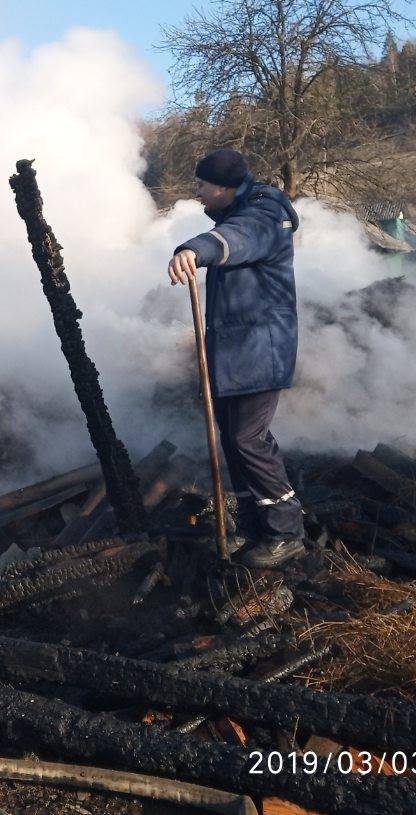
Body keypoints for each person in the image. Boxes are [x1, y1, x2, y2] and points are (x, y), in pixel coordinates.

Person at [167, 148, 306, 569]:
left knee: (248, 439)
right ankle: (253, 524)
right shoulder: (242, 210)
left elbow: (239, 240)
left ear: (225, 187)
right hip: (237, 352)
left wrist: (194, 249)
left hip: (260, 350)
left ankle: (286, 532)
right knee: (233, 439)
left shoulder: (264, 214)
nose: (198, 194)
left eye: (203, 186)